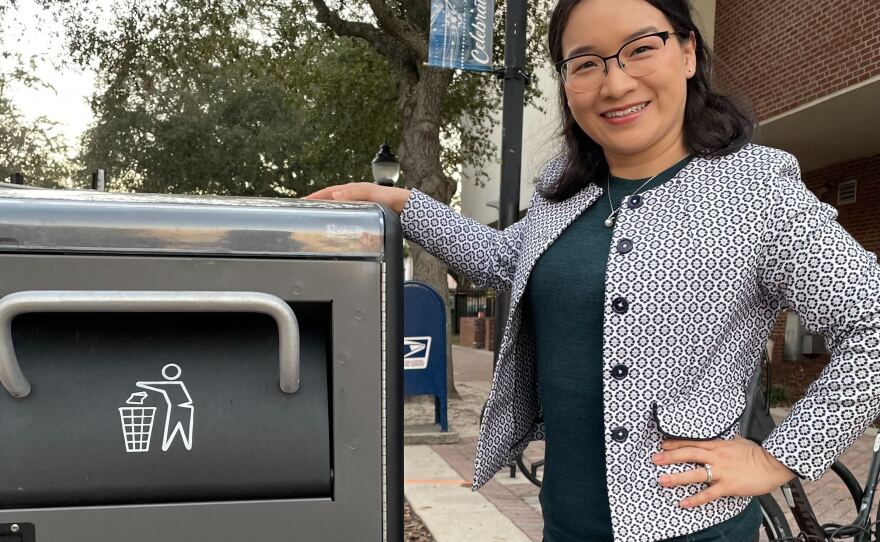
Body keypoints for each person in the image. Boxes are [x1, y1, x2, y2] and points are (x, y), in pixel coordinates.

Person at [306, 0, 880, 539]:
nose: (616, 82)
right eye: (586, 63)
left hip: (689, 522)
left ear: (688, 53)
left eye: (640, 48)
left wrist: (777, 457)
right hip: (565, 514)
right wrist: (405, 206)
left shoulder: (753, 191)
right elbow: (504, 260)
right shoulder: (565, 192)